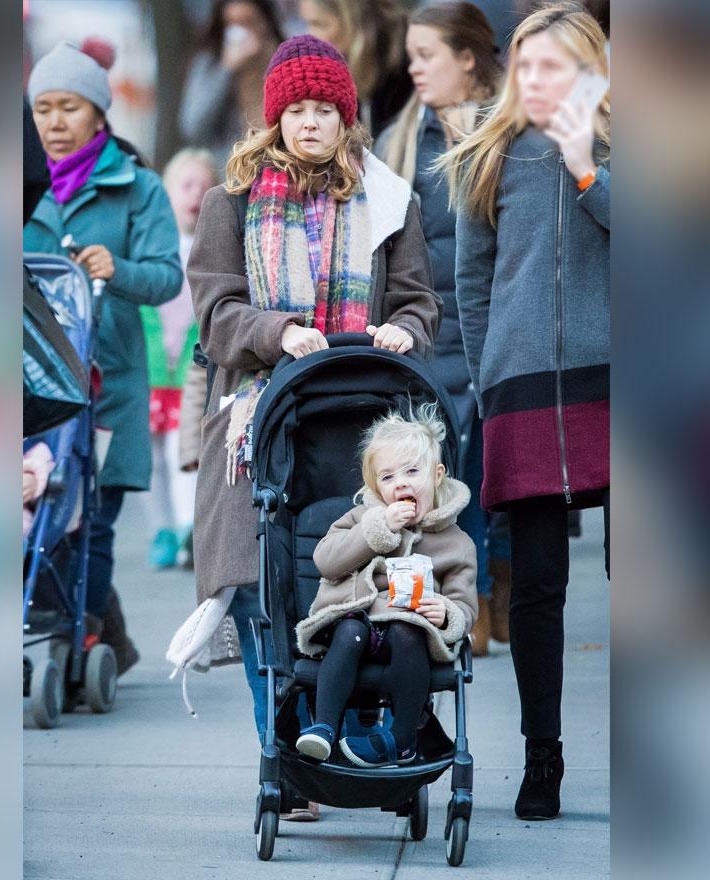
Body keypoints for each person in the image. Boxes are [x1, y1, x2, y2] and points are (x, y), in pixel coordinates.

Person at [187, 33, 441, 818]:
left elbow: (419, 303)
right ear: (274, 118)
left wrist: (405, 327)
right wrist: (277, 332)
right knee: (267, 588)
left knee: (362, 582)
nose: (309, 122)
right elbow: (214, 310)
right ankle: (286, 757)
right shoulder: (232, 200)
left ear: (346, 118)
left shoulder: (390, 199)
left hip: (362, 423)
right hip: (262, 418)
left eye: (324, 109)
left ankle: (368, 744)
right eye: (295, 109)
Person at [440, 2, 610, 820]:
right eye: (527, 67)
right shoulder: (487, 154)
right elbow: (473, 285)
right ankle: (543, 755)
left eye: (555, 67)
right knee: (537, 587)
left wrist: (588, 169)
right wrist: (490, 375)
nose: (536, 81)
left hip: (617, 383)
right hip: (521, 391)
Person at [23, 41, 184, 675]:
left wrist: (118, 270)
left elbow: (168, 277)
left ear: (97, 113)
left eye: (68, 108)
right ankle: (88, 629)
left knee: (91, 521)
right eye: (43, 109)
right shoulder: (30, 191)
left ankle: (83, 637)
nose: (54, 123)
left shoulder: (136, 187)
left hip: (108, 385)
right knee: (44, 518)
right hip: (37, 391)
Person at [375, 1, 502, 656]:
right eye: (411, 54)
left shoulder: (507, 134)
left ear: (468, 57)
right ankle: (459, 598)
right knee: (435, 474)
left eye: (426, 55)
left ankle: (484, 595)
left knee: (483, 476)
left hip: (492, 335)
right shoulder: (400, 138)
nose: (412, 68)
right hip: (425, 337)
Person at [293, 405, 478, 767]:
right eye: (389, 477)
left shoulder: (456, 542)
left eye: (412, 471)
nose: (402, 483)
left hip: (408, 634)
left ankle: (402, 738)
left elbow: (465, 603)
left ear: (437, 475)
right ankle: (324, 729)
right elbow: (326, 560)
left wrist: (447, 614)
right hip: (354, 621)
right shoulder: (362, 518)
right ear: (376, 486)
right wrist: (377, 530)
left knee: (406, 634)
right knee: (348, 632)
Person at [140, 149, 215, 568]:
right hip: (151, 370)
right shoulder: (154, 245)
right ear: (166, 194)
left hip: (186, 372)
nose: (196, 195)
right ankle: (162, 529)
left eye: (204, 188)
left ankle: (188, 526)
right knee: (148, 458)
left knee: (182, 450)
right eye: (186, 186)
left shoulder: (209, 249)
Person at [180, 0, 286, 169]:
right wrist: (226, 71)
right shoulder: (210, 63)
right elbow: (193, 129)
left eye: (247, 22)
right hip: (229, 174)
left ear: (265, 22)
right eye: (232, 24)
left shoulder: (285, 61)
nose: (240, 33)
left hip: (278, 172)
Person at [296, 0, 414, 138]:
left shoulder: (404, 69)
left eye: (319, 24)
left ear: (350, 20)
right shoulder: (346, 68)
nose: (310, 36)